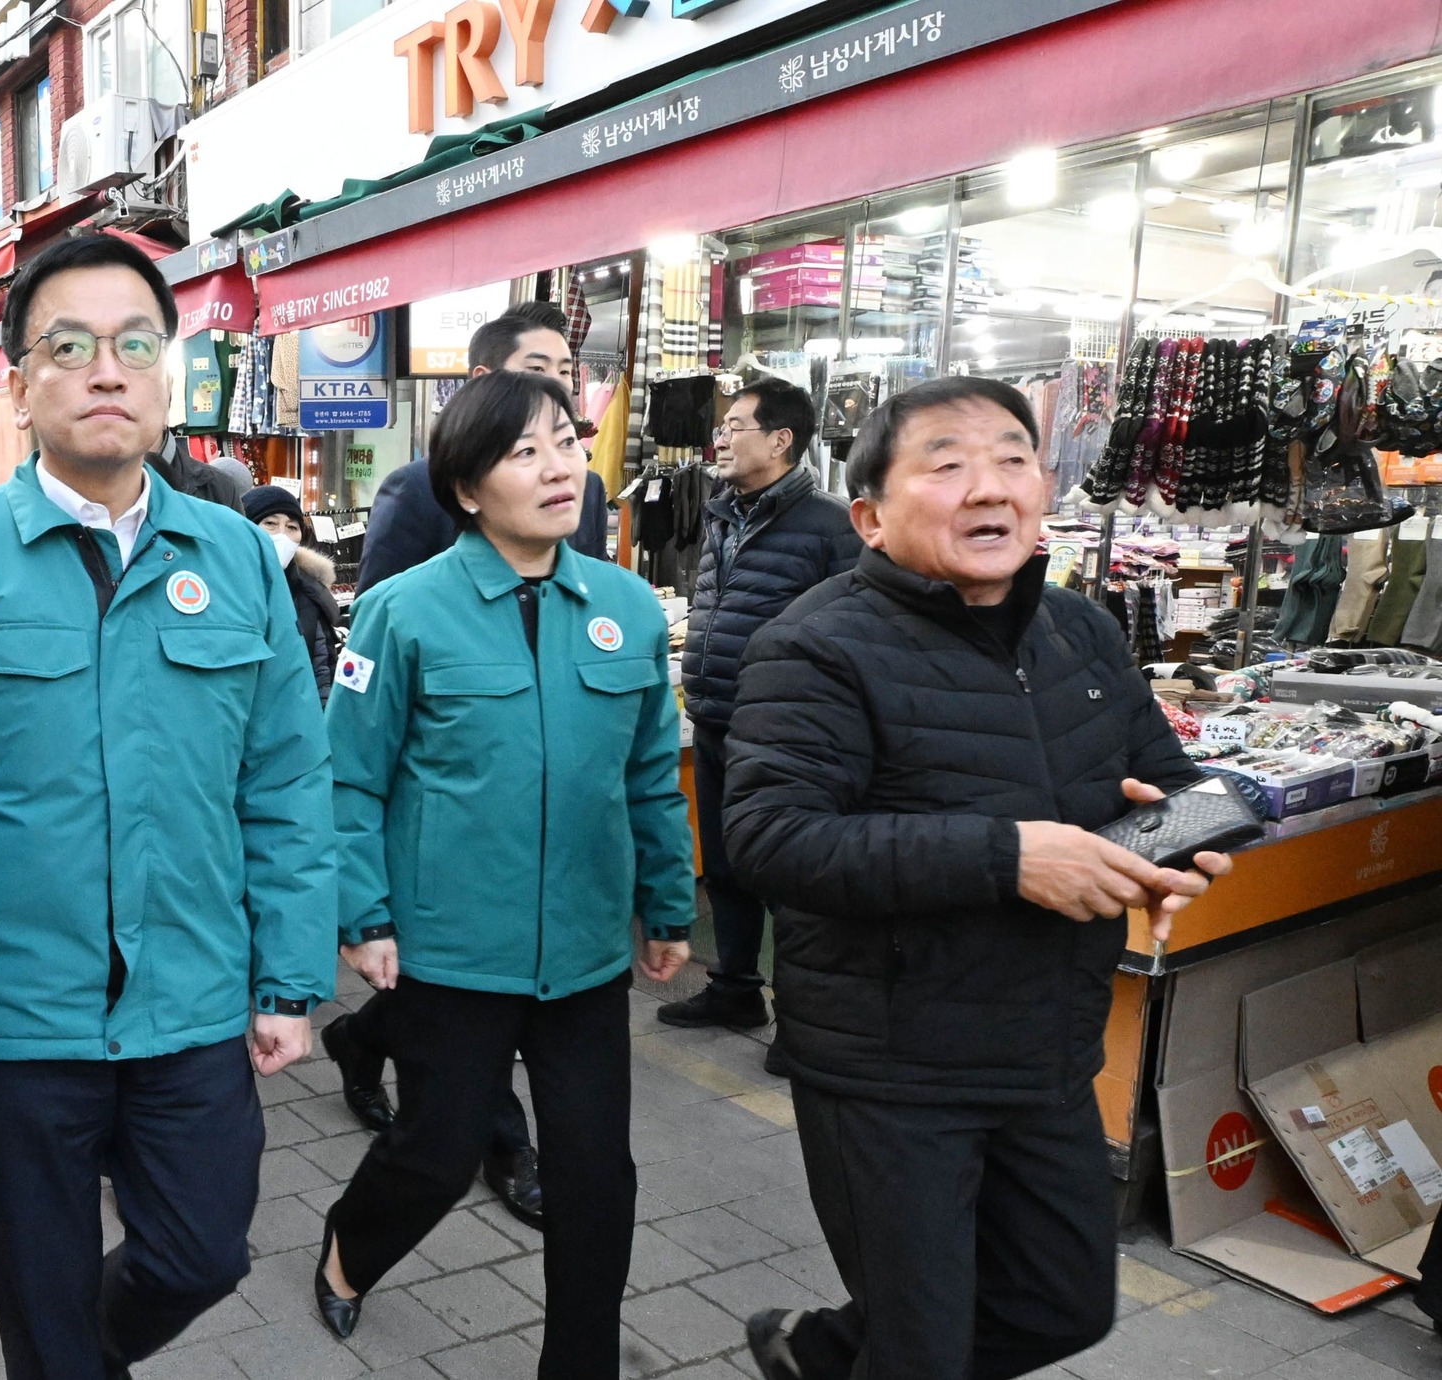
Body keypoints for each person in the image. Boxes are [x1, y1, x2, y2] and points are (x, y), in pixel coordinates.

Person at [0, 232, 336, 1380]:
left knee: (201, 1250)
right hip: (3, 1016)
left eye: (135, 343)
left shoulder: (234, 557)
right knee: (41, 1293)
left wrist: (287, 976)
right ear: (19, 383)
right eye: (68, 346)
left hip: (187, 1001)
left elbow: (282, 777)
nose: (107, 370)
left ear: (167, 370)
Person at [721, 375, 1236, 1380]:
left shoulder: (1079, 630)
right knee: (921, 1347)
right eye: (945, 465)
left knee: (1061, 1306)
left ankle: (820, 1354)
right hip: (889, 1065)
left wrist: (1190, 835)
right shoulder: (815, 645)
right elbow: (770, 837)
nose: (987, 486)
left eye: (1009, 458)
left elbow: (1170, 780)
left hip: (1043, 1042)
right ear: (868, 517)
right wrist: (1009, 856)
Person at [313, 370, 693, 1375]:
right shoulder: (401, 612)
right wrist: (364, 915)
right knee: (435, 1157)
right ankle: (350, 1246)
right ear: (469, 488)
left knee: (594, 1176)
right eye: (524, 451)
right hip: (448, 948)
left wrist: (664, 899)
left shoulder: (625, 610)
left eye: (564, 441)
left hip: (580, 951)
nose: (559, 465)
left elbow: (650, 774)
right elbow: (348, 778)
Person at [325, 300, 601, 1224]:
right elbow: (379, 620)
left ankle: (366, 1047)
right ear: (483, 383)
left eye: (566, 367)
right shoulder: (417, 493)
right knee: (456, 1012)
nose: (556, 380)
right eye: (536, 362)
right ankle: (502, 1143)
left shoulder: (581, 494)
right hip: (439, 788)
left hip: (538, 832)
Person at [657, 379, 859, 1032]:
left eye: (736, 425)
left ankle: (802, 1023)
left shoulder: (830, 524)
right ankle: (736, 989)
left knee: (790, 879)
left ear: (780, 440)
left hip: (786, 734)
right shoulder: (723, 511)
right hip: (718, 716)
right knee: (725, 865)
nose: (719, 437)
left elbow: (854, 632)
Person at [357, 303, 609, 592]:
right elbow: (379, 607)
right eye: (536, 368)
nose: (556, 382)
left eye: (565, 371)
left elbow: (593, 587)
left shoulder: (584, 487)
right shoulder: (417, 487)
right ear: (483, 377)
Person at [244, 483, 340, 703]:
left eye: (292, 527)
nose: (282, 535)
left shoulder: (310, 592)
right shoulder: (225, 587)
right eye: (270, 523)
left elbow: (321, 670)